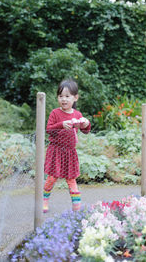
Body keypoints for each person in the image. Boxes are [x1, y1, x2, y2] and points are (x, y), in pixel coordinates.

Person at [43, 79, 91, 213]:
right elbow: (49, 129)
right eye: (60, 96)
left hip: (70, 152)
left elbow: (85, 131)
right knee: (52, 178)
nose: (63, 99)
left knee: (71, 179)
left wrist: (86, 124)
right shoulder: (55, 113)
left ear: (75, 98)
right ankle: (44, 200)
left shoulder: (77, 114)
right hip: (56, 151)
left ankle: (76, 207)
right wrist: (61, 125)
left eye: (67, 96)